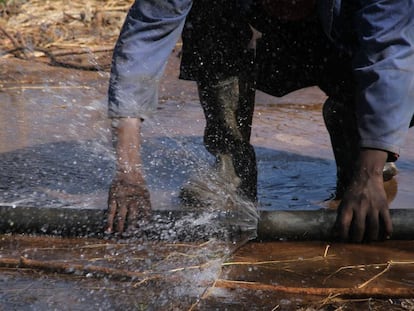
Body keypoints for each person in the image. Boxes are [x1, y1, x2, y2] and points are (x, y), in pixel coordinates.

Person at [105, 0, 414, 243]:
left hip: (346, 38)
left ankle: (364, 147)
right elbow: (145, 36)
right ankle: (232, 167)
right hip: (268, 37)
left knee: (366, 160)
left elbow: (390, 54)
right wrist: (129, 173)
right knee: (208, 14)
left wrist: (369, 172)